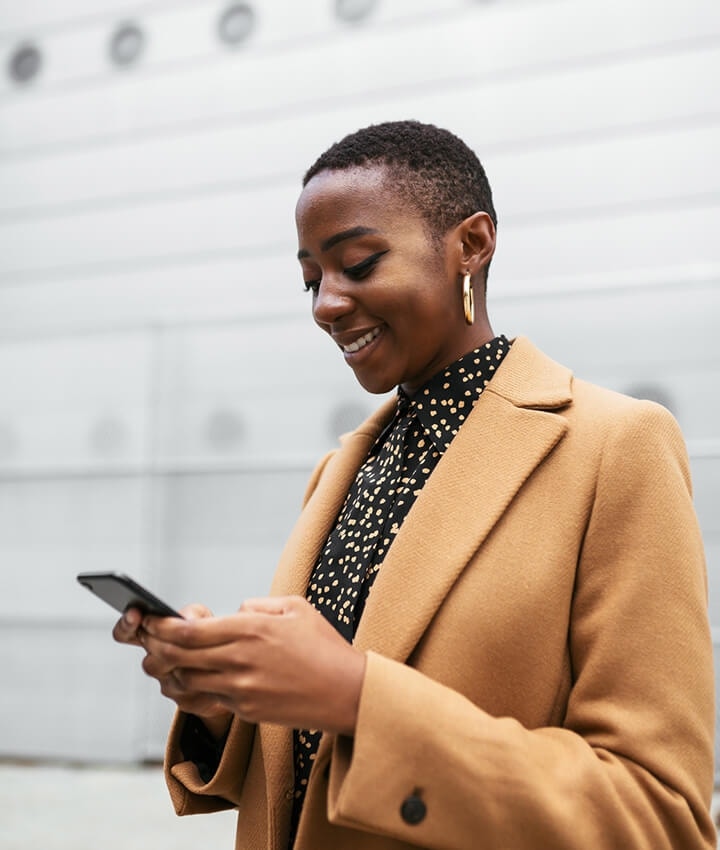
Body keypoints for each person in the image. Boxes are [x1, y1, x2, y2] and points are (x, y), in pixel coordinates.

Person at [113, 120, 716, 850]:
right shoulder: (340, 471)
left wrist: (358, 697)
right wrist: (224, 699)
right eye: (311, 279)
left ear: (472, 244)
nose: (325, 305)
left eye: (359, 264)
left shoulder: (614, 446)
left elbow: (660, 813)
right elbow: (312, 768)